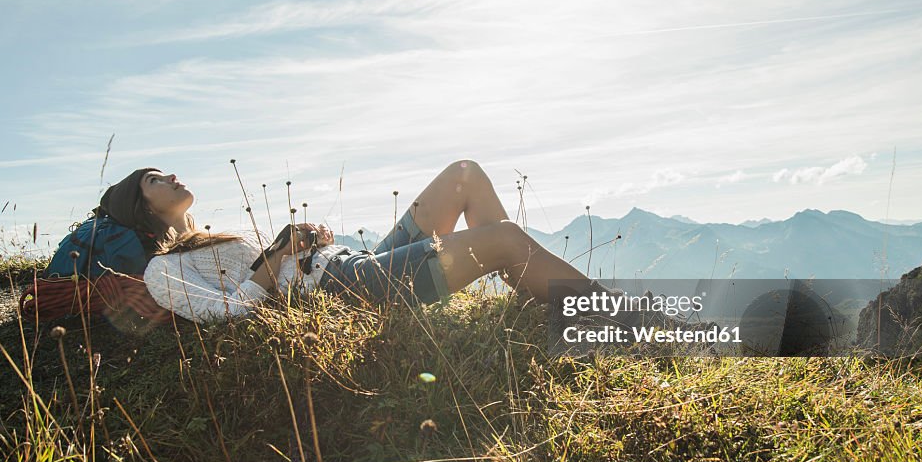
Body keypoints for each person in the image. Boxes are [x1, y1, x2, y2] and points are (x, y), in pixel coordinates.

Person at [109, 160, 602, 324]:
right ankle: (619, 319)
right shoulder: (162, 272)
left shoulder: (212, 237)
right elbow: (234, 314)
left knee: (463, 175)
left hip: (351, 262)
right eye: (154, 179)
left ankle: (532, 298)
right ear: (143, 208)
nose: (170, 176)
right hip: (343, 287)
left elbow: (280, 265)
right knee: (505, 240)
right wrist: (282, 253)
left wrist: (308, 240)